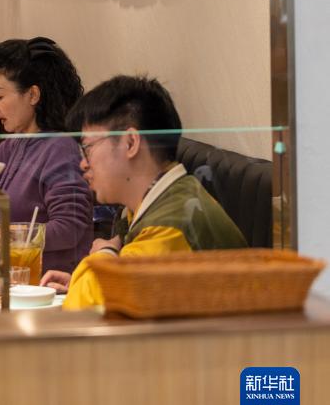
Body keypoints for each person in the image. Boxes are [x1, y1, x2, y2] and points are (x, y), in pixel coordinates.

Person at [41, 75, 249, 310]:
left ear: (130, 143)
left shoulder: (168, 228)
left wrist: (105, 252)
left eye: (87, 148)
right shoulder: (167, 200)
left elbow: (84, 307)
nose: (83, 164)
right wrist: (80, 281)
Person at [0, 38, 93, 275]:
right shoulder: (20, 142)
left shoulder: (61, 149)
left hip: (51, 283)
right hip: (18, 278)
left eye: (0, 97)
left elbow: (69, 229)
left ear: (32, 95)